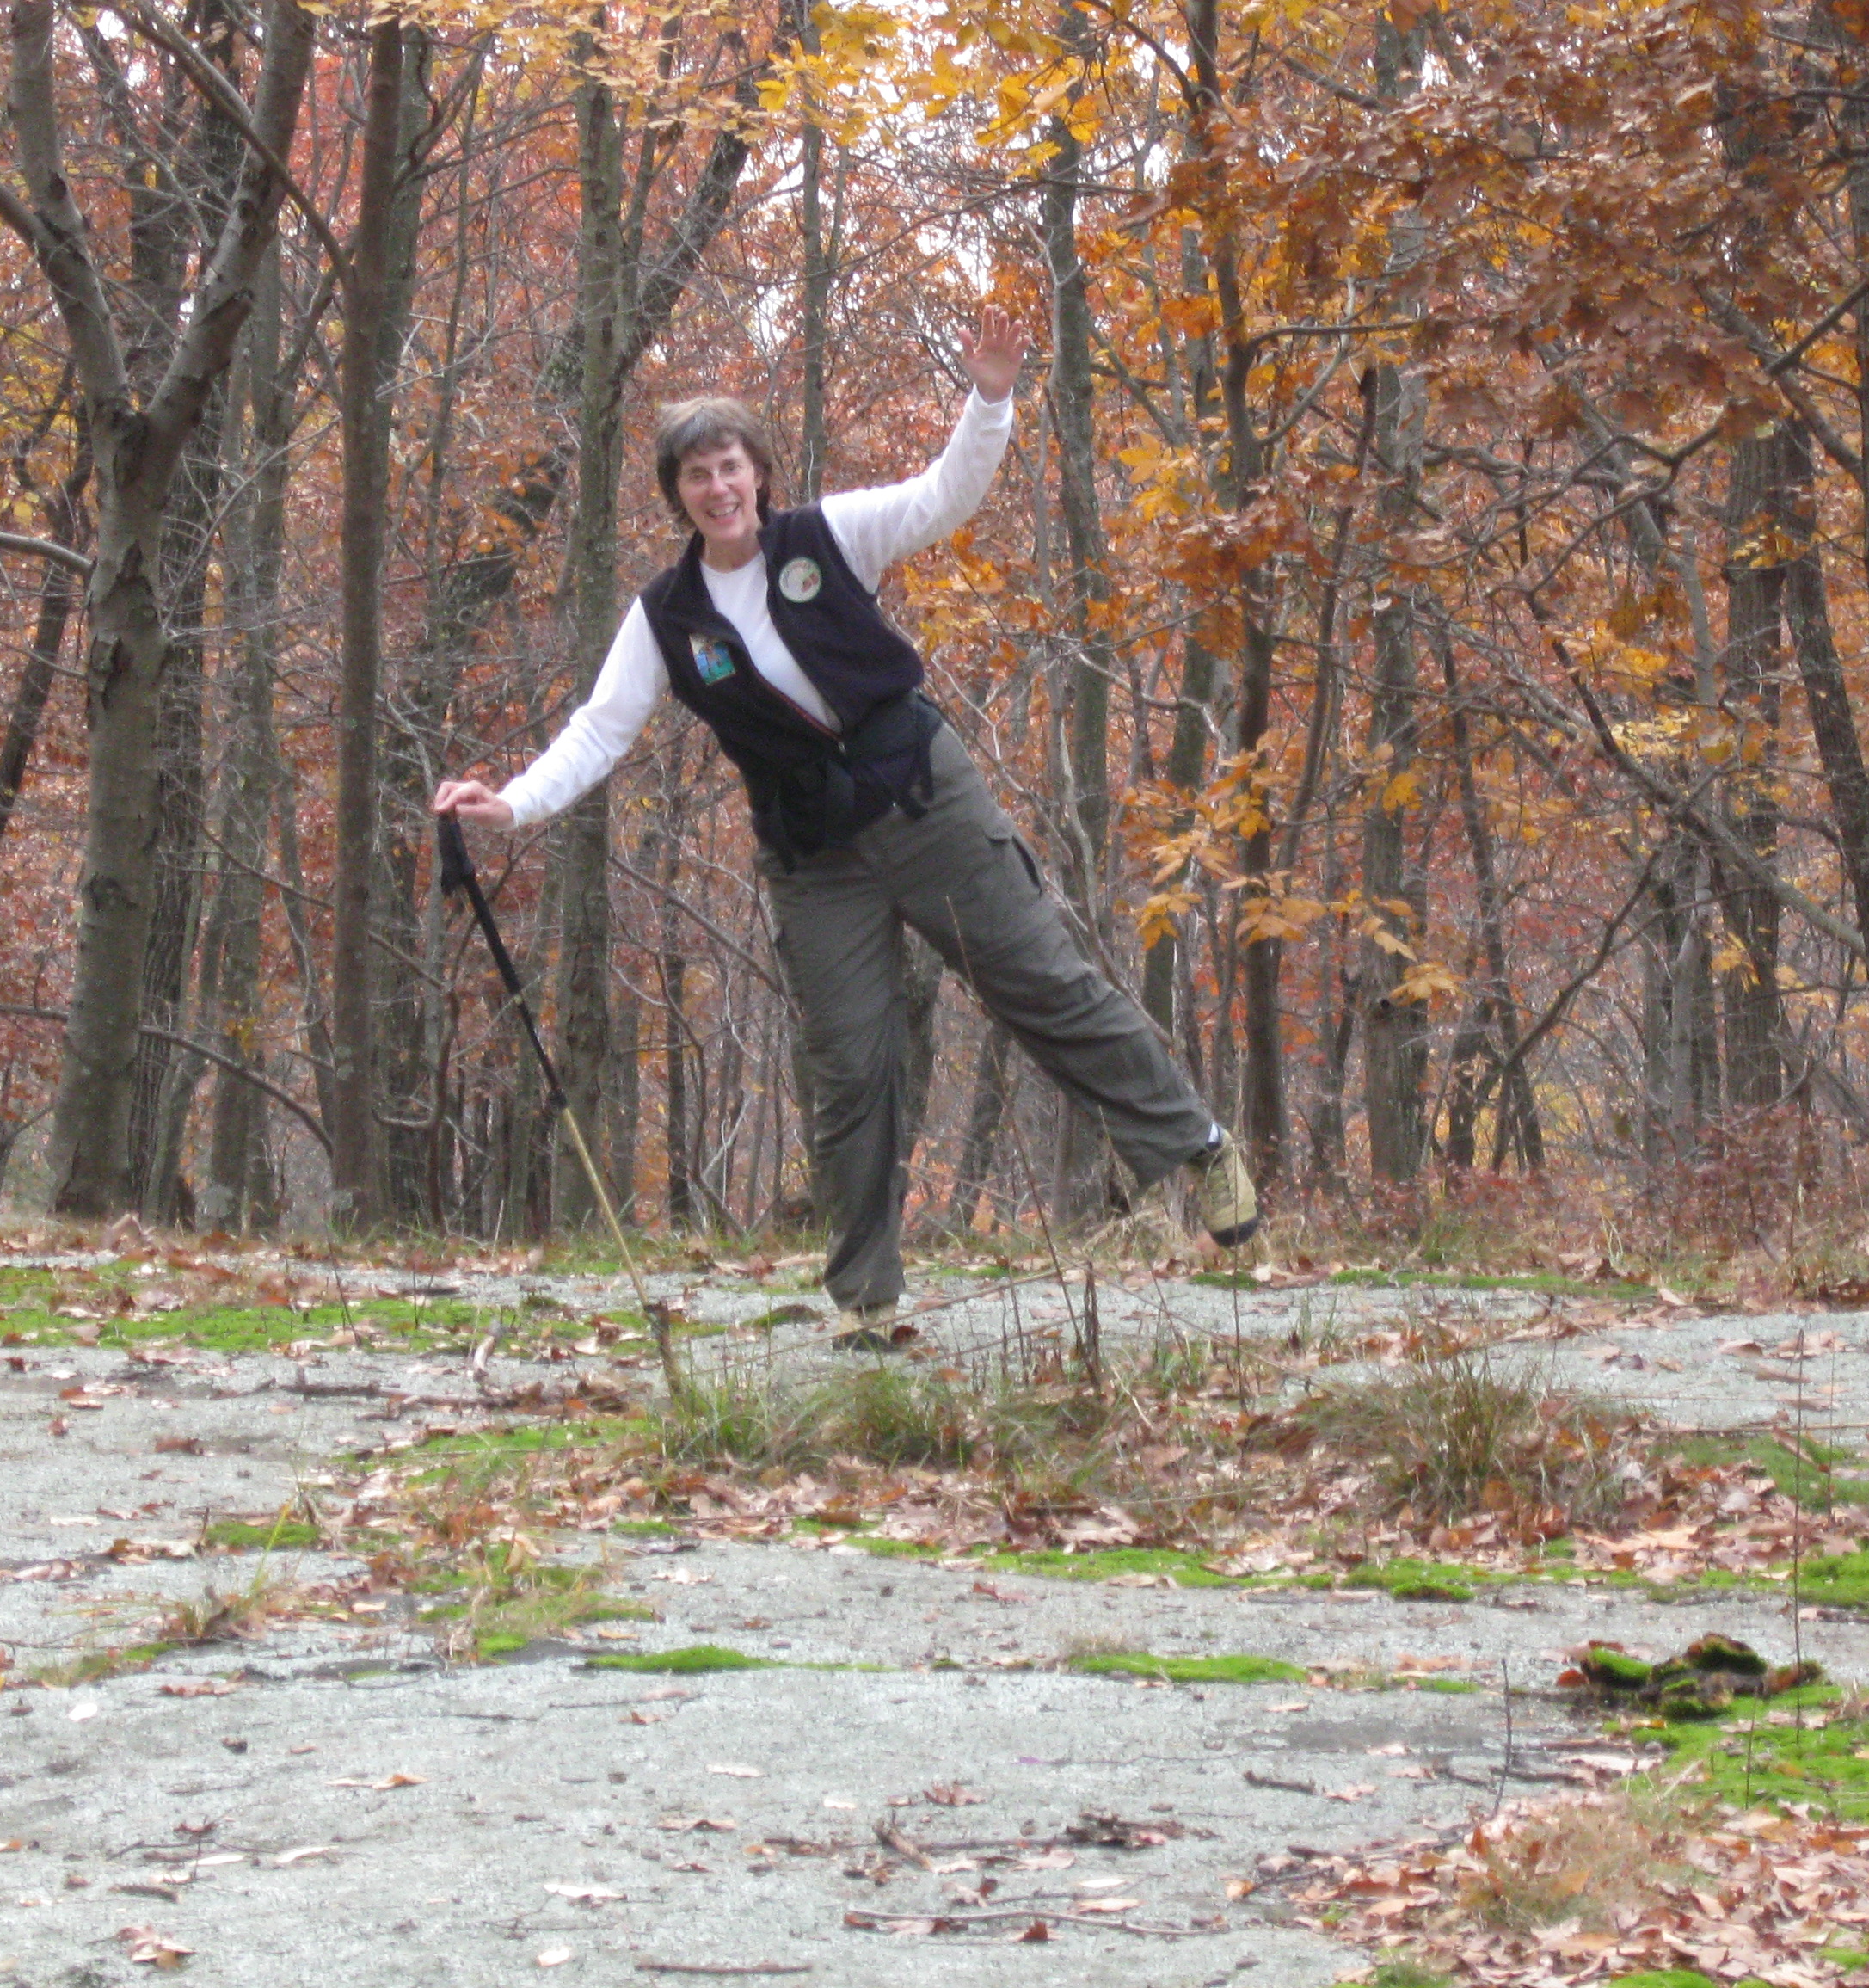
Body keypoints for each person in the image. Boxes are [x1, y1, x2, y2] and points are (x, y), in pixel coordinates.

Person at [433, 306, 1258, 1341]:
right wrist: (507, 803)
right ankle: (866, 1301)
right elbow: (598, 734)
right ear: (677, 496)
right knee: (849, 1065)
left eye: (731, 466)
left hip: (923, 801)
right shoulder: (665, 617)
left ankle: (1199, 1148)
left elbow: (945, 496)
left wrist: (990, 395)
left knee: (1043, 983)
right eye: (696, 476)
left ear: (758, 472)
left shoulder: (828, 536)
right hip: (814, 858)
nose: (719, 488)